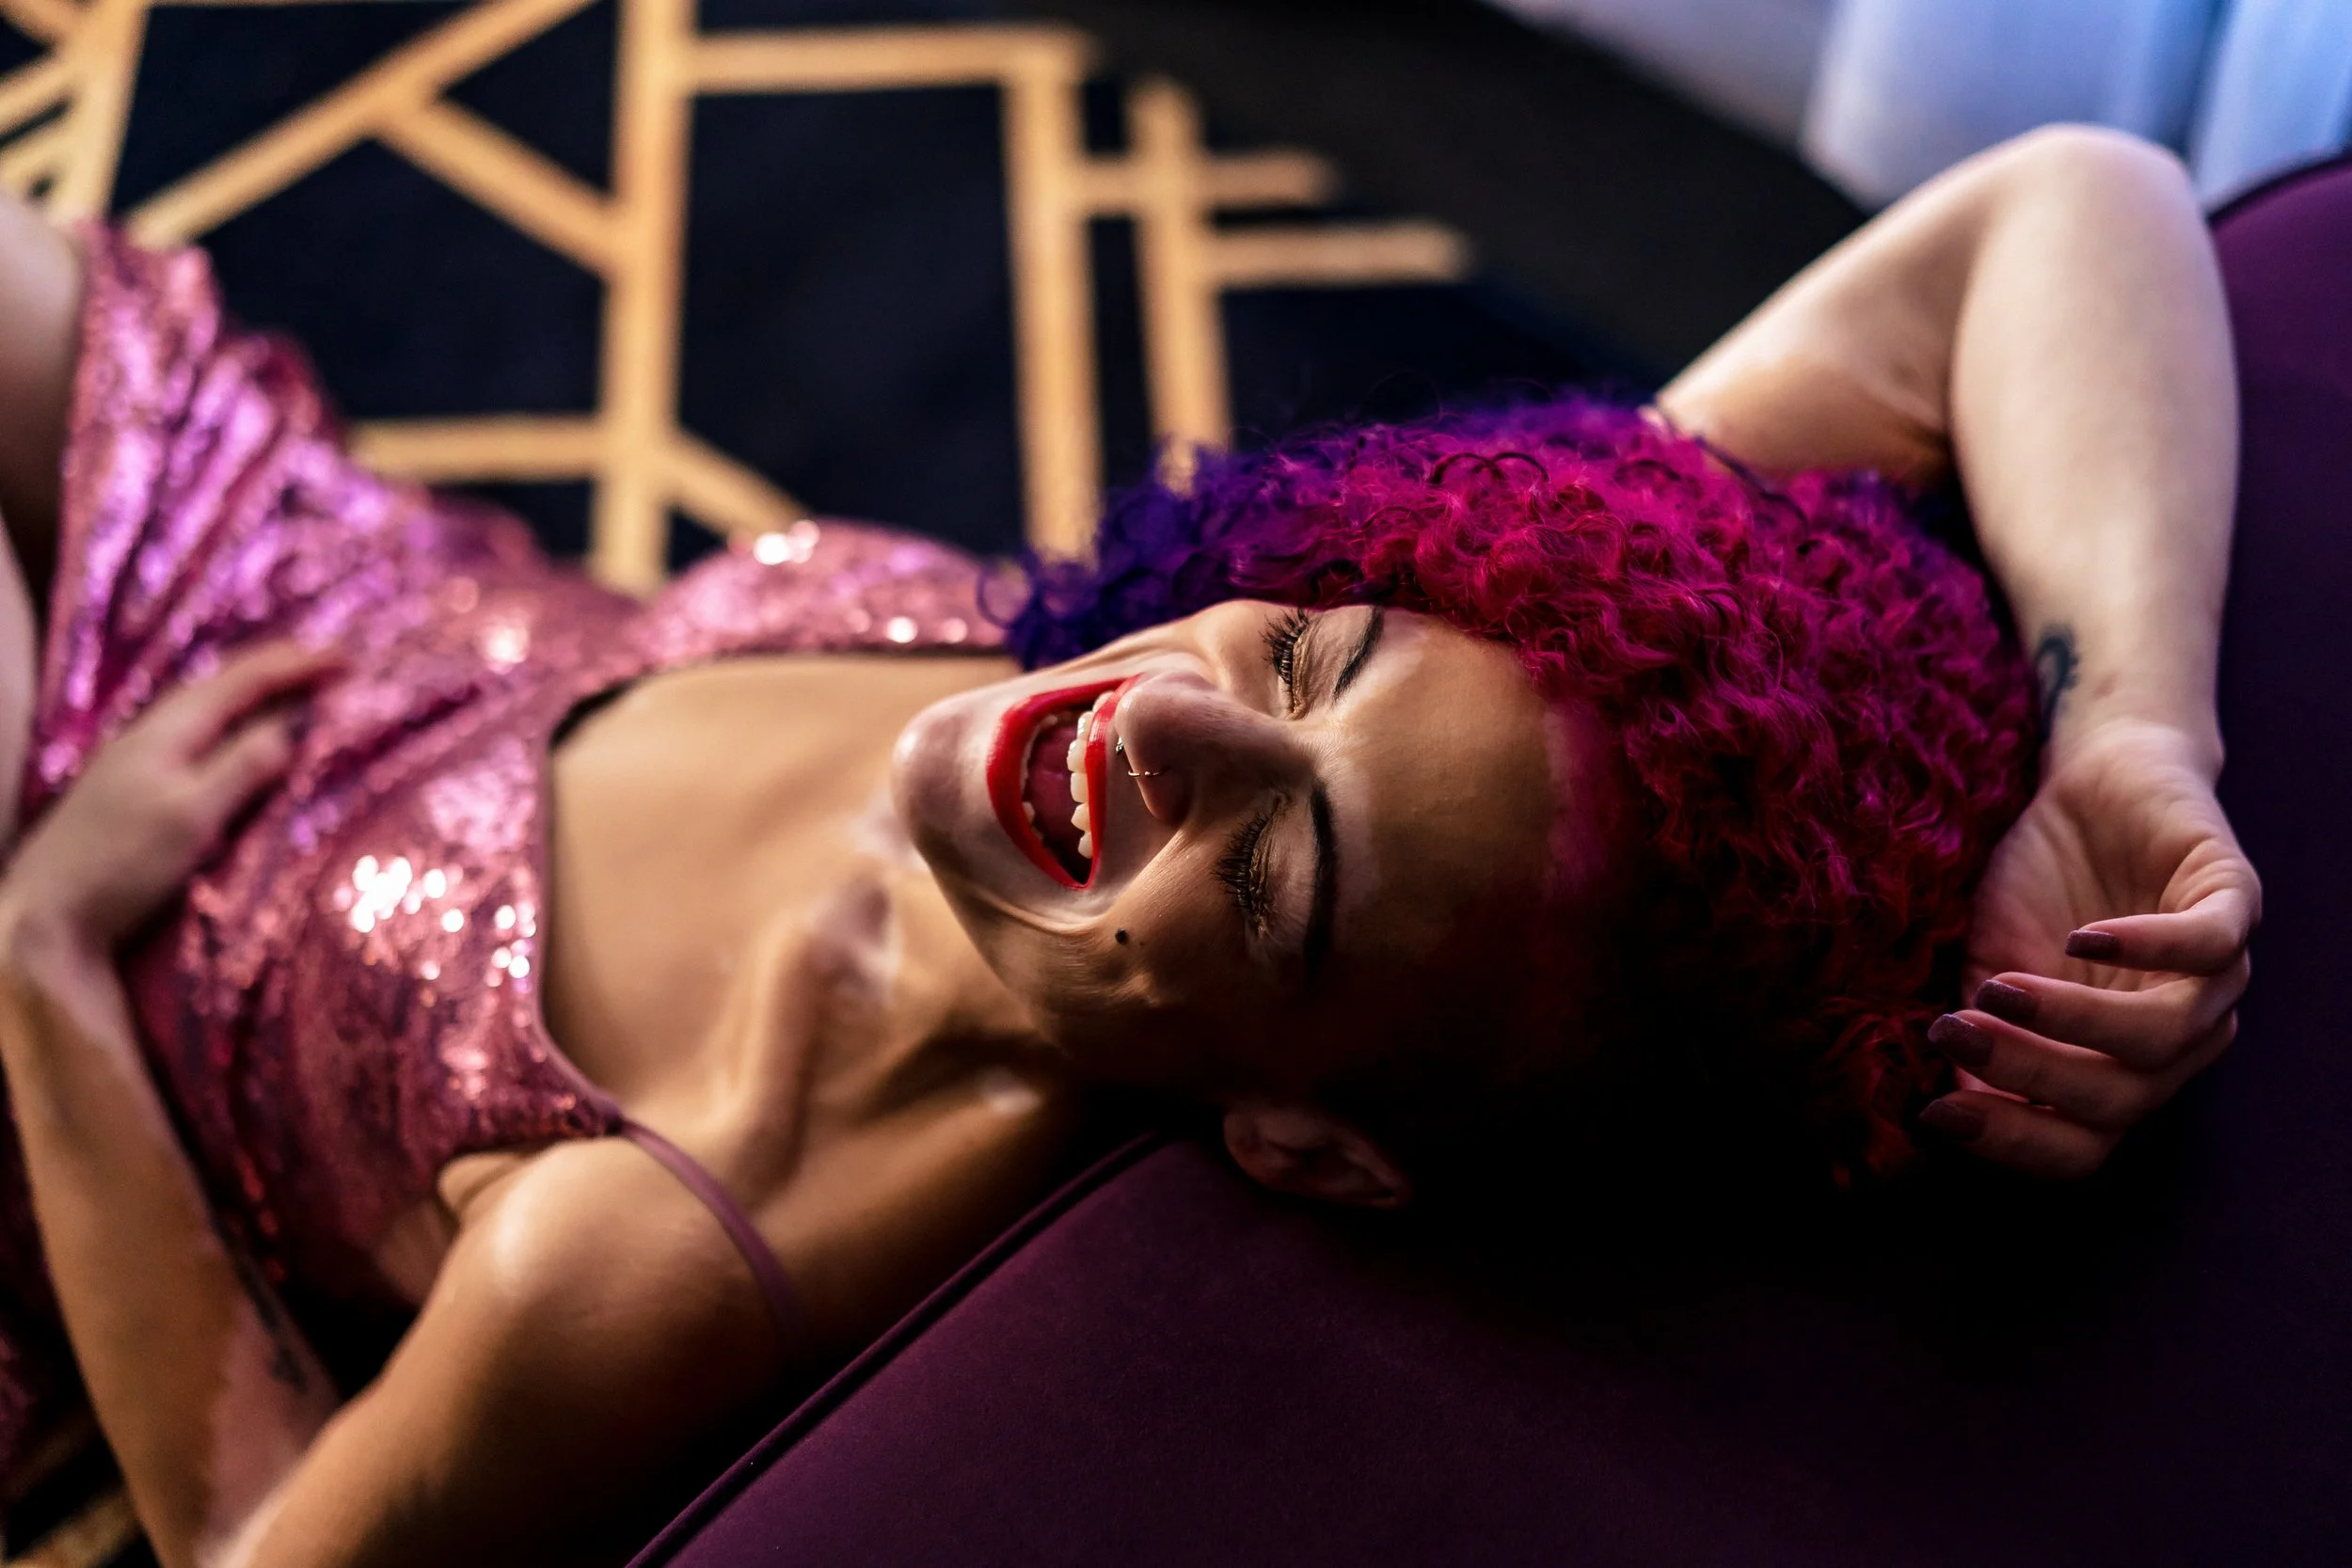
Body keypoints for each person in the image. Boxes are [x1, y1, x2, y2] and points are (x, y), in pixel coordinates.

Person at [0, 120, 2254, 1564]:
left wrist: (54, 949)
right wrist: (2123, 724)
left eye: (1270, 875)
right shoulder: (1466, 739)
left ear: (1305, 1142)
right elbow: (2061, 202)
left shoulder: (653, 1245)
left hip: (116, 915)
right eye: (1306, 655)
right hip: (335, 591)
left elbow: (258, 1539)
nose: (1151, 712)